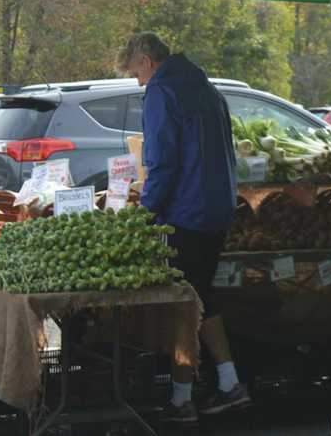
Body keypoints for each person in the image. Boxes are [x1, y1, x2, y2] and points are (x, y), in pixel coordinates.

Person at [116, 33, 250, 424]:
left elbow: (162, 161)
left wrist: (146, 209)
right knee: (202, 295)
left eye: (136, 73)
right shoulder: (207, 89)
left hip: (185, 212)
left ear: (147, 59)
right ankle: (227, 384)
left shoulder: (162, 92)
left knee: (185, 305)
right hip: (217, 208)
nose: (139, 82)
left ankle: (183, 398)